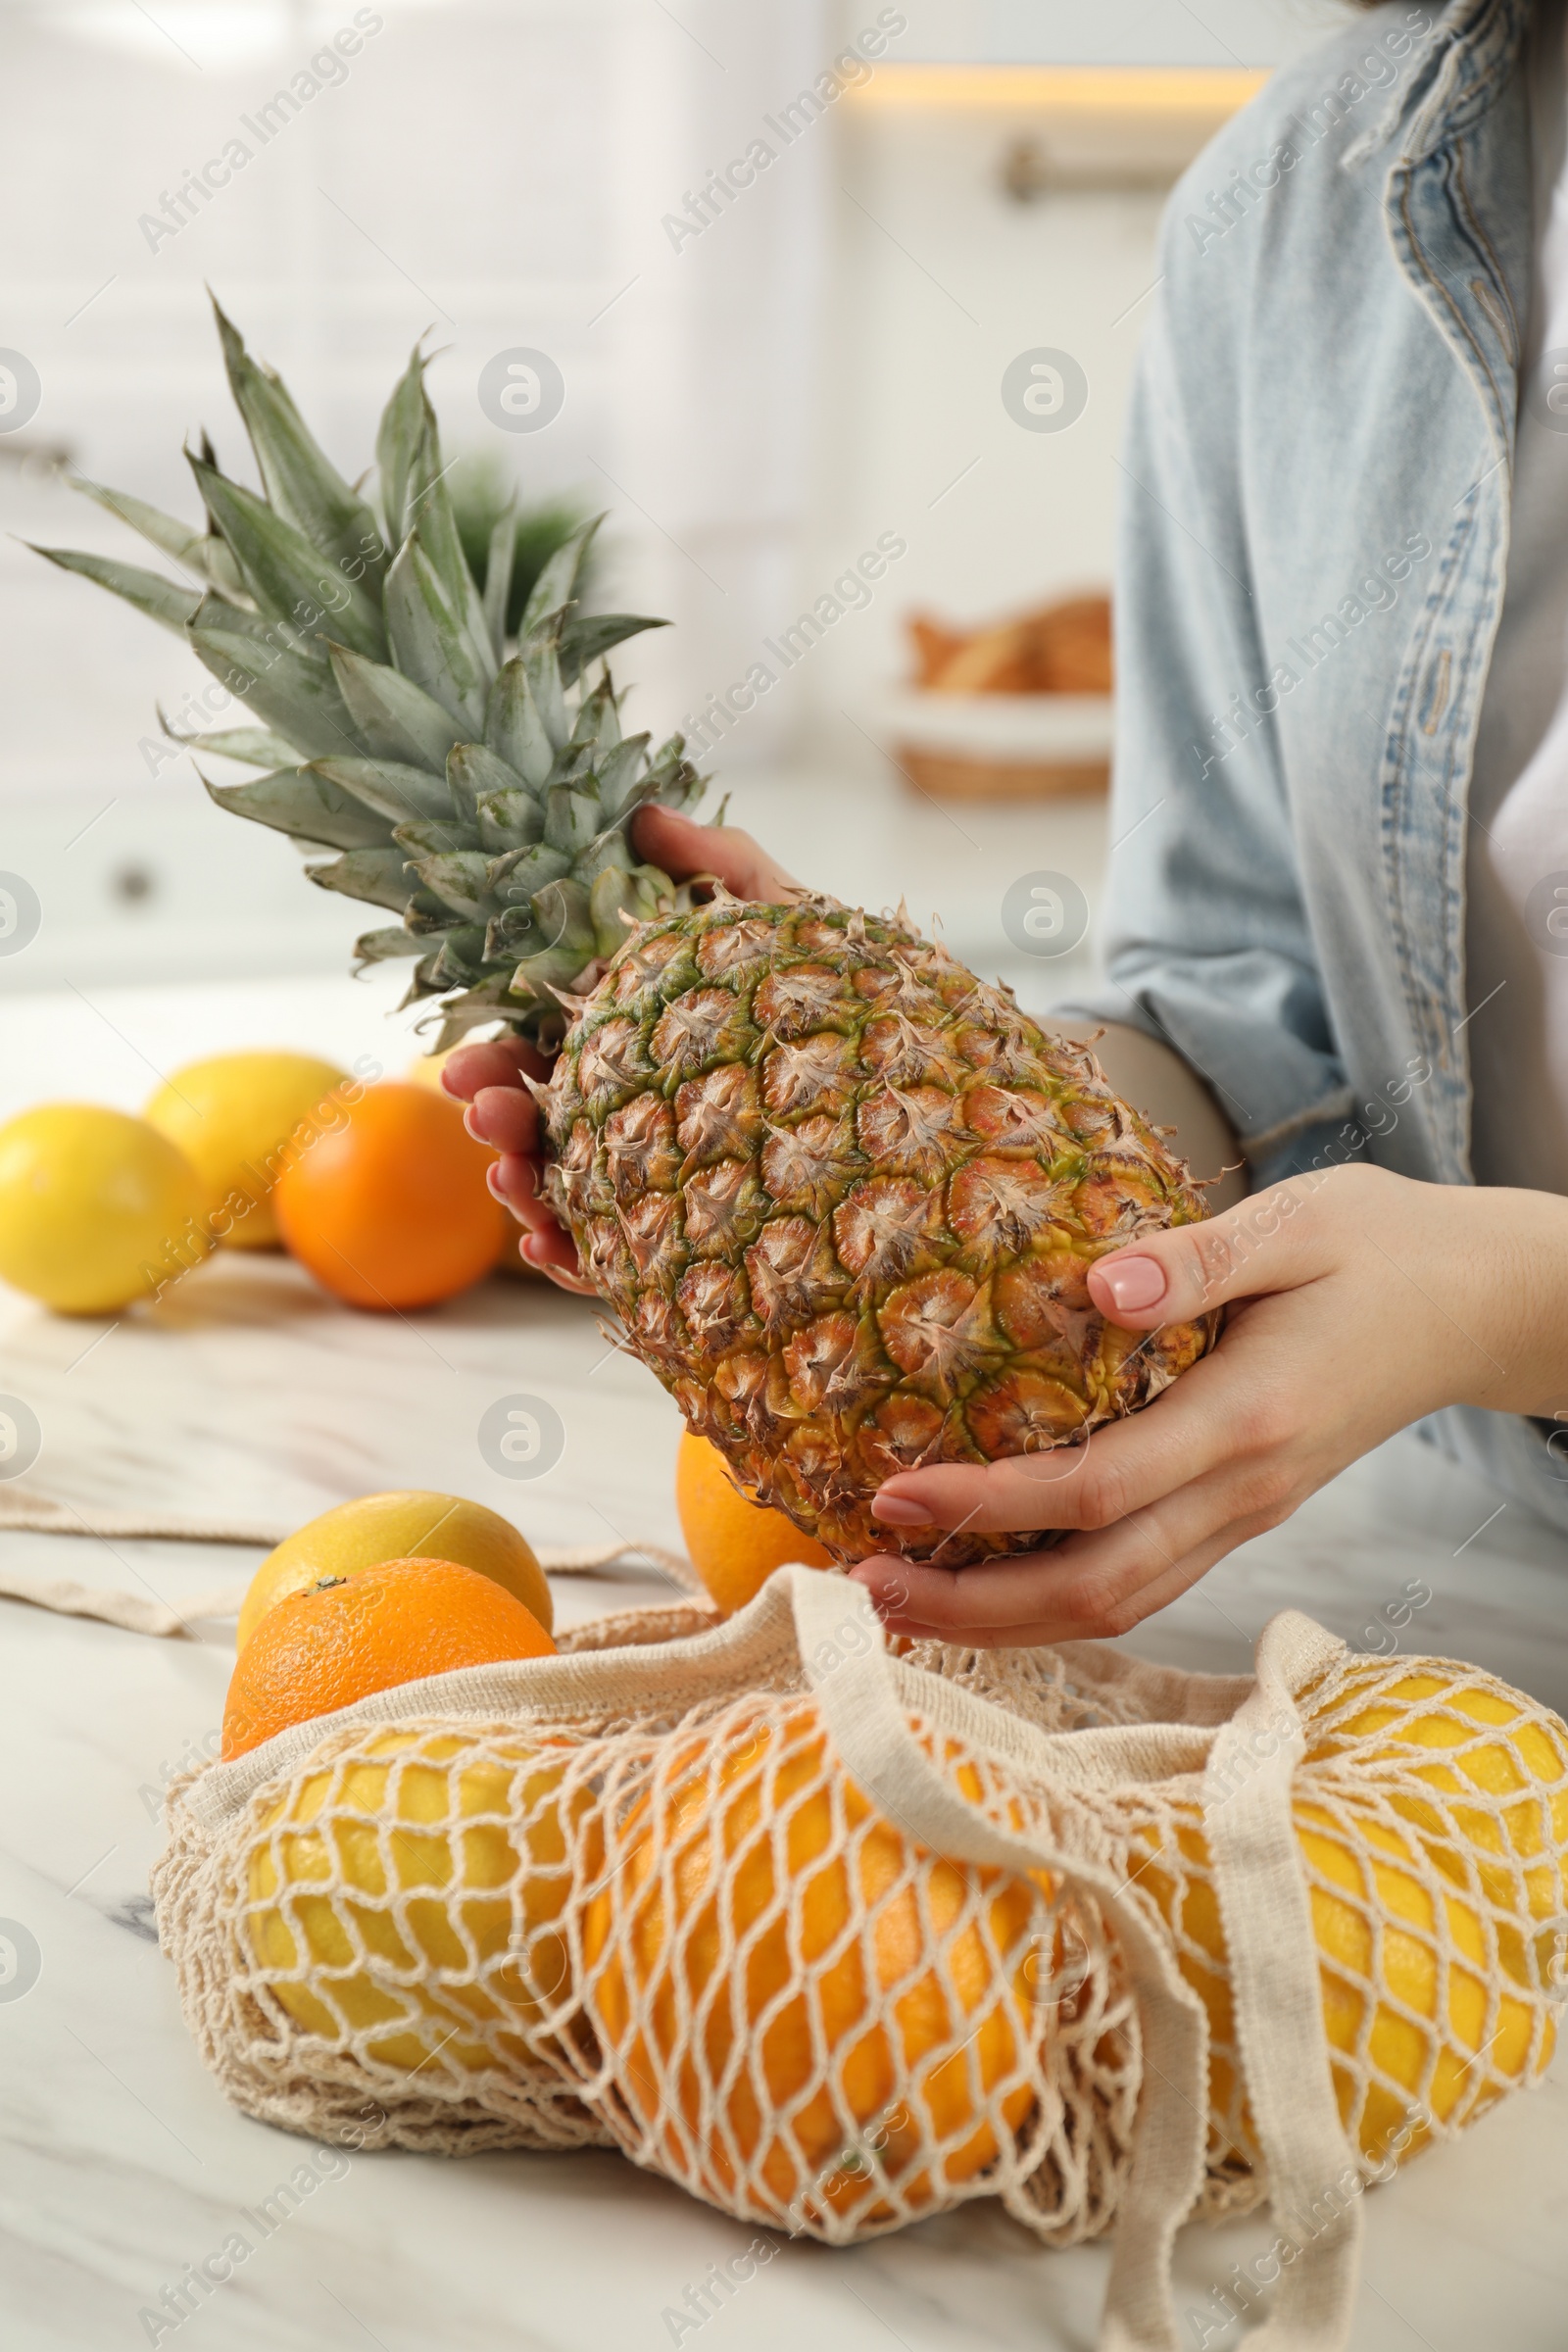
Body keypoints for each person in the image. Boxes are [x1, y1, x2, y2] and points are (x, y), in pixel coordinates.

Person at [448, 0, 1568, 1647]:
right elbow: (1249, 1002)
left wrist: (1508, 1301)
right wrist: (884, 1087)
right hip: (1470, 1607)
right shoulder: (1299, 201)